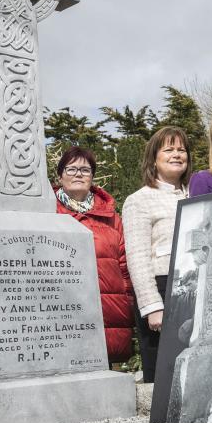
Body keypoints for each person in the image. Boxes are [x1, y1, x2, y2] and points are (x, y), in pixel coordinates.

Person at [122, 126, 191, 383]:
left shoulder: (195, 194)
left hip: (192, 287)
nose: (176, 154)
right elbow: (137, 258)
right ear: (154, 158)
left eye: (181, 149)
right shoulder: (139, 200)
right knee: (164, 376)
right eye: (169, 149)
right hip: (161, 289)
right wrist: (152, 307)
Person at [53, 147, 134, 364]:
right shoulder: (45, 214)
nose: (78, 174)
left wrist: (127, 305)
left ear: (92, 177)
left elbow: (125, 266)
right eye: (71, 169)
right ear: (60, 176)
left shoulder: (112, 218)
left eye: (85, 170)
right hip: (60, 314)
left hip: (108, 314)